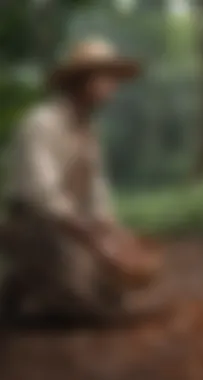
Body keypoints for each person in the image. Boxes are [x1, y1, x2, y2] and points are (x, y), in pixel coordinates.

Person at [0, 38, 158, 322]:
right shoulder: (40, 123)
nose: (112, 86)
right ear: (82, 81)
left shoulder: (89, 132)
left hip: (71, 226)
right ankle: (24, 282)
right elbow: (43, 198)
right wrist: (90, 236)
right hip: (36, 225)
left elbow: (98, 195)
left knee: (111, 286)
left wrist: (116, 234)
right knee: (83, 298)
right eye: (105, 77)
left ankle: (41, 285)